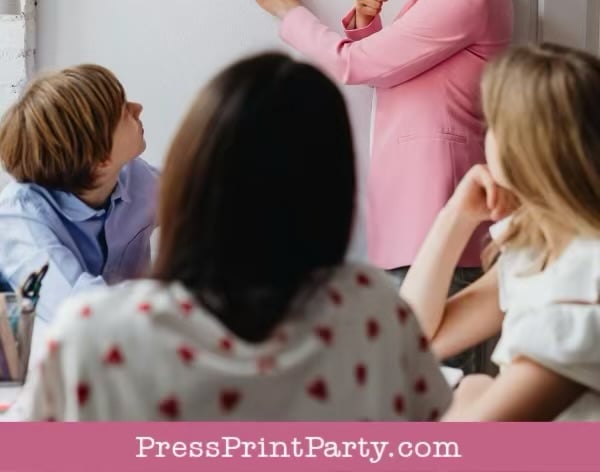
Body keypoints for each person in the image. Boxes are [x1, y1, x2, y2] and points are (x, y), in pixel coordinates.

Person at [237, 0, 543, 371]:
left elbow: (356, 67)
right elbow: (390, 73)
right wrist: (367, 20)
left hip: (437, 222)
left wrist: (288, 12)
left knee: (436, 393)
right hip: (418, 222)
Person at [17, 54, 451, 421]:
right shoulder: (374, 310)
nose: (139, 108)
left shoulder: (93, 334)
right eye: (122, 111)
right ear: (338, 187)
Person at [401, 43, 600, 421]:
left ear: (524, 150)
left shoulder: (587, 279)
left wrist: (476, 393)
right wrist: (455, 217)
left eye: (492, 125)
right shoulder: (535, 245)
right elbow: (411, 338)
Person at [0, 65, 157, 323]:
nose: (138, 107)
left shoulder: (133, 176)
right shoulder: (20, 217)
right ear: (100, 158)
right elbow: (83, 311)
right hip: (59, 357)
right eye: (124, 111)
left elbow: (204, 196)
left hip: (132, 348)